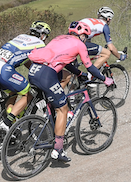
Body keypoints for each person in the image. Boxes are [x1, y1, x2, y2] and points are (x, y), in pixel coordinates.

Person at [28, 21, 114, 163]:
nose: (85, 40)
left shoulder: (59, 38)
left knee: (56, 98)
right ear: (82, 35)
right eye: (86, 37)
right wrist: (105, 79)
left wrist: (80, 74)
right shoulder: (80, 44)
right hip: (46, 74)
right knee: (63, 109)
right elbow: (90, 67)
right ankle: (58, 150)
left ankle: (52, 126)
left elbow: (66, 63)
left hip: (33, 71)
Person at [0, 21, 51, 130]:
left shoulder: (21, 37)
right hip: (4, 70)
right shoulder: (40, 44)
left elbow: (25, 59)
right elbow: (43, 63)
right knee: (29, 93)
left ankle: (11, 120)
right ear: (43, 35)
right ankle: (8, 122)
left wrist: (32, 69)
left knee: (14, 92)